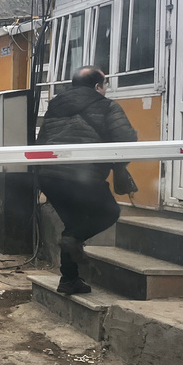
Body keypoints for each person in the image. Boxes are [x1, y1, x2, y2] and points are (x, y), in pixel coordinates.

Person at [37, 66, 138, 295]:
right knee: (108, 213)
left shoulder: (55, 105)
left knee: (74, 225)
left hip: (49, 178)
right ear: (97, 86)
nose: (105, 89)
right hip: (84, 178)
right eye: (105, 85)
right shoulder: (107, 106)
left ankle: (69, 280)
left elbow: (42, 141)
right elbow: (126, 140)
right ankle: (72, 246)